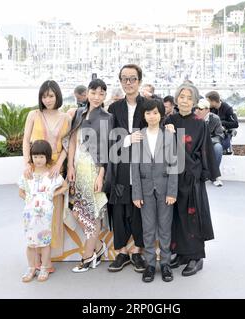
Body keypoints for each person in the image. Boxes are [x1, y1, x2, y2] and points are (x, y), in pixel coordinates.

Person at [164, 82, 219, 277]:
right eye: (182, 97)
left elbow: (205, 151)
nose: (185, 100)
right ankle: (180, 253)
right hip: (172, 177)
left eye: (189, 98)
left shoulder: (199, 124)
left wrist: (204, 173)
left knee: (193, 216)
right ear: (176, 99)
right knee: (176, 217)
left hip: (192, 176)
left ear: (195, 101)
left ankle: (196, 257)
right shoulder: (169, 121)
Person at [22, 80, 72, 262]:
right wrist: (27, 163)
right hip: (36, 168)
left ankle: (49, 258)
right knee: (35, 211)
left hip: (55, 170)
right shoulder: (33, 115)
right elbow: (26, 140)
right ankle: (35, 259)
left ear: (57, 95)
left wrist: (59, 164)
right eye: (44, 96)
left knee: (54, 212)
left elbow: (67, 144)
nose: (48, 100)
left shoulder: (66, 117)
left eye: (51, 96)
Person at [67, 79, 113, 273]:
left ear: (105, 96)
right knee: (77, 211)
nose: (97, 97)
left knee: (92, 214)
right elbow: (72, 142)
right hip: (77, 168)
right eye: (93, 93)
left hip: (93, 169)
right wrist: (70, 166)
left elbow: (106, 148)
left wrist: (101, 175)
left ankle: (87, 257)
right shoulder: (78, 113)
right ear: (87, 93)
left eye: (101, 94)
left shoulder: (106, 117)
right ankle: (98, 247)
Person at [106, 64, 147, 273]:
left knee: (139, 210)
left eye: (132, 78)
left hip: (142, 169)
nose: (128, 83)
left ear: (139, 80)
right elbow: (109, 140)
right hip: (121, 168)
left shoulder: (149, 105)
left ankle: (138, 252)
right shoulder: (114, 109)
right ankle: (122, 252)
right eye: (124, 79)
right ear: (121, 82)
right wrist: (128, 139)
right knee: (120, 210)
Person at [131, 99, 178, 283]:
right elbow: (134, 166)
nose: (152, 116)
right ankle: (150, 264)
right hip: (145, 190)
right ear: (144, 115)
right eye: (148, 113)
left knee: (165, 229)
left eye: (156, 113)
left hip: (166, 188)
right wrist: (136, 193)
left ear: (161, 115)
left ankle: (165, 264)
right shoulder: (138, 136)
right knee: (148, 229)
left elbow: (174, 165)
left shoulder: (168, 135)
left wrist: (172, 192)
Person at [18, 140, 66, 282]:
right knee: (30, 243)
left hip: (45, 216)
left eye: (41, 156)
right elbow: (20, 192)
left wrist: (51, 194)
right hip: (29, 215)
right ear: (31, 157)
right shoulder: (28, 174)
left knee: (44, 243)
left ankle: (44, 268)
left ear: (47, 157)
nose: (38, 160)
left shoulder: (52, 175)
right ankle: (31, 268)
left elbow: (65, 186)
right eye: (35, 156)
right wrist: (29, 199)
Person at [194, 99, 224, 187]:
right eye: (197, 108)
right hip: (195, 143)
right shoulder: (192, 118)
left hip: (210, 142)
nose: (197, 110)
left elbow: (220, 135)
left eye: (201, 109)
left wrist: (208, 141)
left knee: (218, 148)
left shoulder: (215, 119)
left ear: (208, 110)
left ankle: (214, 176)